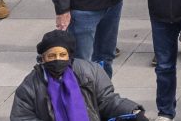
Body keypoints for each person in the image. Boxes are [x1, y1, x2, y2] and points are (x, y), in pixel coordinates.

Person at [10, 28, 143, 121]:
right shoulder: (30, 86)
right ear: (42, 59)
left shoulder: (91, 71)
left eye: (62, 55)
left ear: (69, 56)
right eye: (51, 56)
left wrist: (132, 111)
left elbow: (107, 100)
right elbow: (21, 118)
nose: (57, 59)